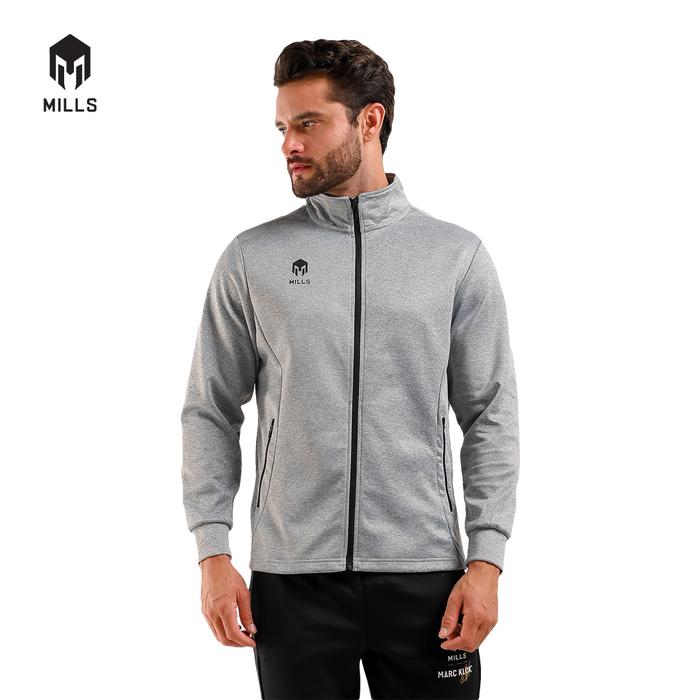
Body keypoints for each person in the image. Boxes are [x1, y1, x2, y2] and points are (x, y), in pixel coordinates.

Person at [181, 38, 520, 700]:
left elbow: (491, 414)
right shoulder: (252, 258)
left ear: (370, 120)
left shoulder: (455, 257)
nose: (289, 144)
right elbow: (209, 409)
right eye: (283, 127)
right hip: (293, 581)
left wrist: (487, 560)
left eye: (308, 123)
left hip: (428, 577)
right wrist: (212, 553)